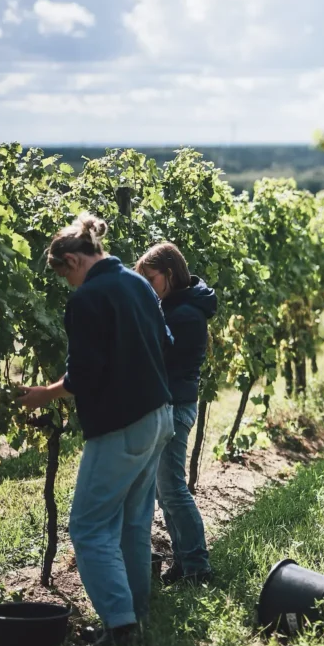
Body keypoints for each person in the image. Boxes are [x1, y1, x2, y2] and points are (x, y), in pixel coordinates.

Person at [16, 214, 174, 646]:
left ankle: (120, 629)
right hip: (159, 416)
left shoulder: (88, 298)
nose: (68, 285)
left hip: (122, 425)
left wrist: (45, 393)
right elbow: (163, 341)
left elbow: (83, 376)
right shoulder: (138, 284)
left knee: (87, 527)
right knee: (133, 524)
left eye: (64, 275)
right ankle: (134, 619)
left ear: (72, 260)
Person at [135, 242, 217, 586]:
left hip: (174, 408)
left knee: (171, 489)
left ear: (169, 274)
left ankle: (198, 567)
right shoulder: (176, 306)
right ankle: (184, 562)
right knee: (165, 488)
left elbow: (157, 361)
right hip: (170, 406)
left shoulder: (183, 315)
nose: (149, 289)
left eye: (150, 280)